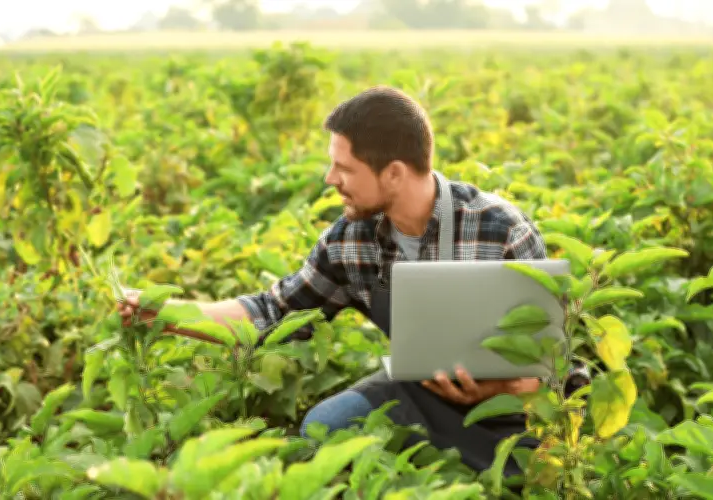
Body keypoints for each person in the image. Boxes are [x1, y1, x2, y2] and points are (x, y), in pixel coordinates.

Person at [117, 85, 590, 477]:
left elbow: (553, 370)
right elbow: (272, 311)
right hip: (418, 392)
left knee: (538, 473)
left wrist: (491, 392)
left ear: (394, 174)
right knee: (326, 428)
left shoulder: (502, 230)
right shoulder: (351, 239)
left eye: (344, 169)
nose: (330, 179)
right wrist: (164, 313)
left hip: (515, 408)